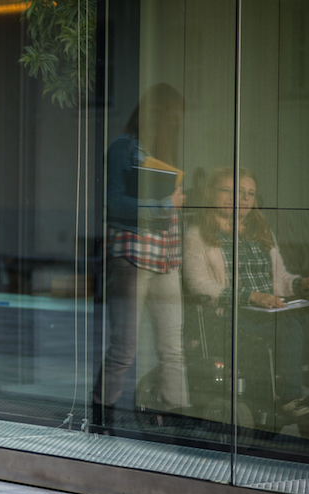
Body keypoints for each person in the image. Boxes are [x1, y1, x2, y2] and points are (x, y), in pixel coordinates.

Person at [183, 167, 309, 421]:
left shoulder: (260, 234)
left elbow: (281, 280)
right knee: (288, 328)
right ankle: (289, 400)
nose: (241, 199)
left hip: (267, 311)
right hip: (229, 319)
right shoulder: (198, 235)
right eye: (231, 191)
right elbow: (198, 284)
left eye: (249, 194)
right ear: (211, 194)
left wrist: (301, 284)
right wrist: (250, 296)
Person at [93, 83, 190, 432]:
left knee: (173, 348)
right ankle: (101, 418)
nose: (176, 126)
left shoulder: (170, 153)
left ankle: (180, 420)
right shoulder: (124, 148)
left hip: (166, 259)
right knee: (124, 348)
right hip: (132, 256)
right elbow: (113, 203)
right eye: (172, 119)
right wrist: (165, 204)